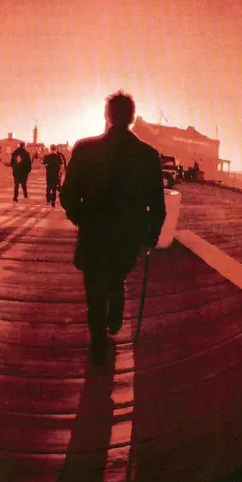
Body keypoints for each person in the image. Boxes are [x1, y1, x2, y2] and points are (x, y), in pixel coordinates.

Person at [60, 90, 166, 364]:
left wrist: (81, 217)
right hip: (127, 237)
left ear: (107, 115)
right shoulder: (148, 155)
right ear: (132, 117)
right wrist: (149, 237)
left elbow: (68, 194)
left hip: (93, 235)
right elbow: (157, 205)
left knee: (94, 291)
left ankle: (98, 344)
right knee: (117, 277)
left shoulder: (85, 149)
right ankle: (115, 319)